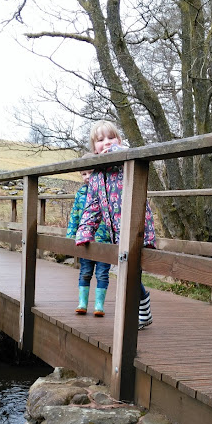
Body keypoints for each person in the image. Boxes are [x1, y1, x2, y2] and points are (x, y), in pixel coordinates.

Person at [75, 120, 156, 330]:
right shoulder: (96, 177)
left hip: (136, 228)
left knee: (130, 270)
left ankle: (139, 311)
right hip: (116, 232)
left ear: (119, 141)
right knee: (127, 271)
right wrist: (85, 231)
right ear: (94, 148)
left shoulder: (125, 163)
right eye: (101, 140)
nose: (107, 143)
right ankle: (142, 308)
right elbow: (92, 207)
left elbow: (132, 154)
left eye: (111, 138)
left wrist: (119, 151)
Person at [67, 153, 112, 316]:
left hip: (105, 242)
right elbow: (75, 215)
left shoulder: (107, 190)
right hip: (86, 240)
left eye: (90, 172)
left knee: (102, 273)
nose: (87, 177)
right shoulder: (81, 193)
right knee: (85, 271)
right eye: (83, 174)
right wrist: (71, 235)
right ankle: (82, 303)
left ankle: (99, 305)